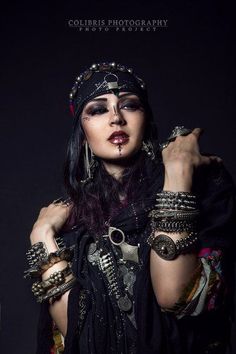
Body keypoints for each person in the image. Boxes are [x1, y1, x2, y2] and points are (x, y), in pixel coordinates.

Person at [25, 62, 236, 354]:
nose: (116, 118)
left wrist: (175, 176)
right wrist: (43, 236)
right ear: (83, 133)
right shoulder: (72, 223)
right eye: (98, 109)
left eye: (129, 105)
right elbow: (76, 332)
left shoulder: (201, 182)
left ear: (145, 119)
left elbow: (174, 295)